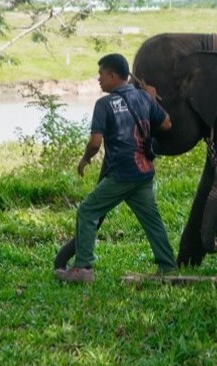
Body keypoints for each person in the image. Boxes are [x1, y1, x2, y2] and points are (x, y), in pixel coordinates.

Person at [54, 53, 177, 283]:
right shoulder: (144, 98)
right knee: (152, 220)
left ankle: (83, 269)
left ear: (112, 74)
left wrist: (85, 159)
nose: (98, 79)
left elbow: (95, 142)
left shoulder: (104, 104)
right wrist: (152, 98)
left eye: (101, 74)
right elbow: (167, 124)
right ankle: (168, 266)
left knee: (88, 211)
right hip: (143, 172)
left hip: (121, 173)